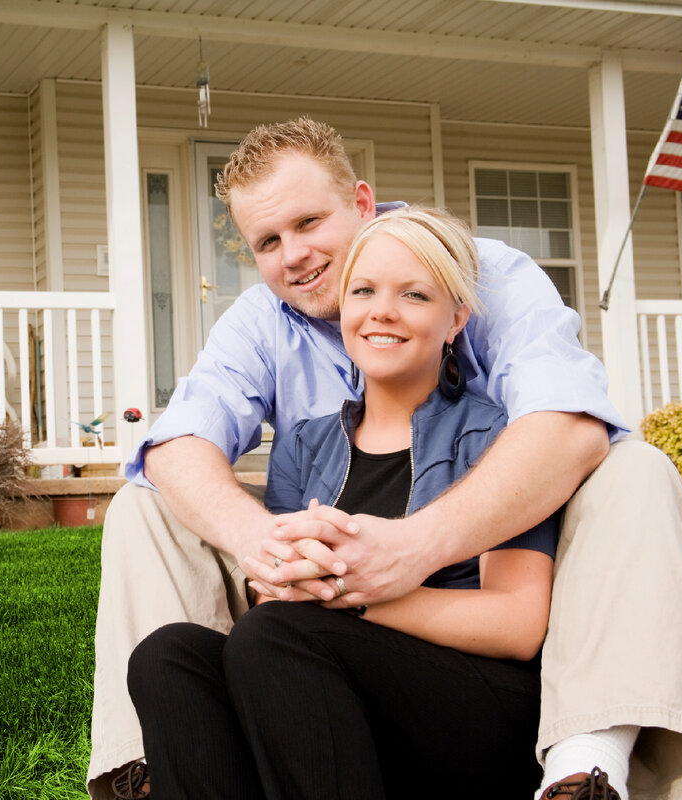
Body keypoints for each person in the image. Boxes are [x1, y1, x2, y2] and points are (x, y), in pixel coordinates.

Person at [88, 118, 682, 800]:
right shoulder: (275, 356)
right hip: (314, 637)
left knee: (636, 470)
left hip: (469, 623)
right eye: (268, 241)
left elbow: (567, 427)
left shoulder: (486, 280)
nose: (294, 255)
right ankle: (153, 764)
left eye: (308, 222)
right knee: (146, 513)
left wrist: (399, 560)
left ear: (361, 204)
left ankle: (582, 764)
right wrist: (265, 548)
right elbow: (179, 443)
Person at [128, 205, 560, 798]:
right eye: (364, 290)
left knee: (274, 634)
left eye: (414, 294)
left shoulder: (495, 440)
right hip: (328, 686)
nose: (382, 310)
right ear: (344, 309)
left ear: (456, 319)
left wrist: (353, 599)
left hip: (477, 704)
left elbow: (518, 624)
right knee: (169, 655)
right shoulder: (305, 443)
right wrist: (293, 592)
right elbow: (273, 599)